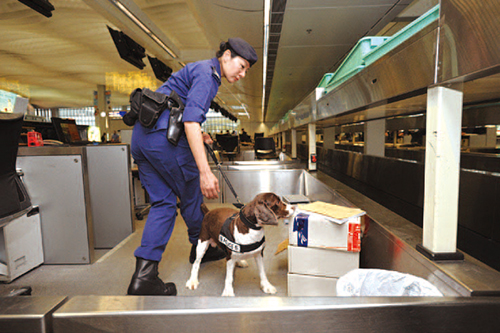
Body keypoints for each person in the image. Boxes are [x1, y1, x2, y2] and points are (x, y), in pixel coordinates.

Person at [127, 38, 258, 296]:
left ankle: (144, 277)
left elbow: (178, 110)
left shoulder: (196, 70)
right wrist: (205, 172)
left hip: (143, 140)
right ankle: (202, 246)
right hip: (164, 142)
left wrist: (201, 135)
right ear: (226, 56)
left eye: (245, 71)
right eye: (241, 66)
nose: (242, 74)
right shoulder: (209, 76)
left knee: (163, 204)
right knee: (191, 196)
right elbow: (189, 122)